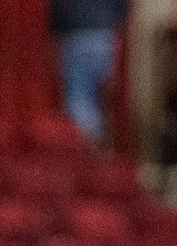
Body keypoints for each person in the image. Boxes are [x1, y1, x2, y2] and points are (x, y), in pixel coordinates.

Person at [52, 0, 128, 145]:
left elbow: (58, 10)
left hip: (75, 37)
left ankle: (88, 150)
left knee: (80, 100)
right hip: (104, 37)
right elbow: (123, 9)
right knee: (104, 100)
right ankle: (103, 147)